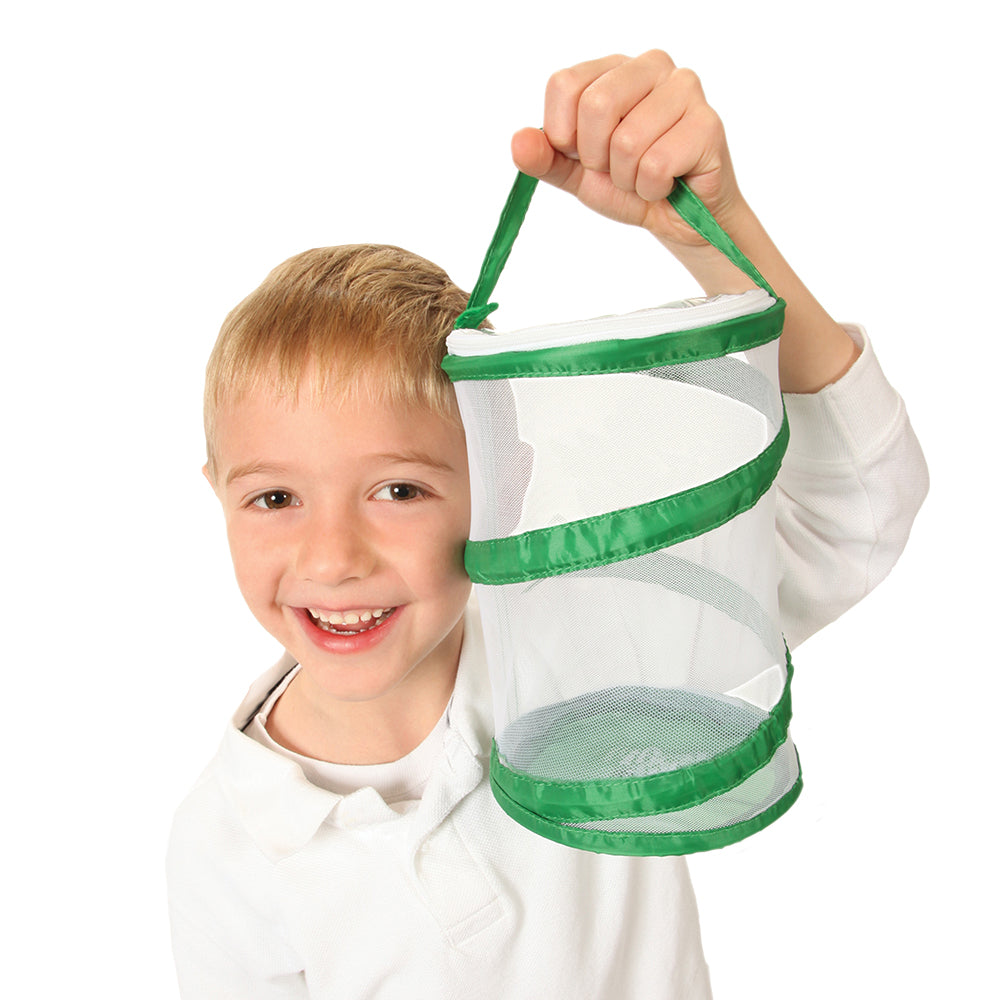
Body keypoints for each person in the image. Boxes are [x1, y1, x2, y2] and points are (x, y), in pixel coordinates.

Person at [167, 50, 928, 998]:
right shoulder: (226, 846)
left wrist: (710, 231)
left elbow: (858, 505)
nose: (332, 557)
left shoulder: (583, 652)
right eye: (274, 498)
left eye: (399, 490)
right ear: (220, 498)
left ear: (505, 483)